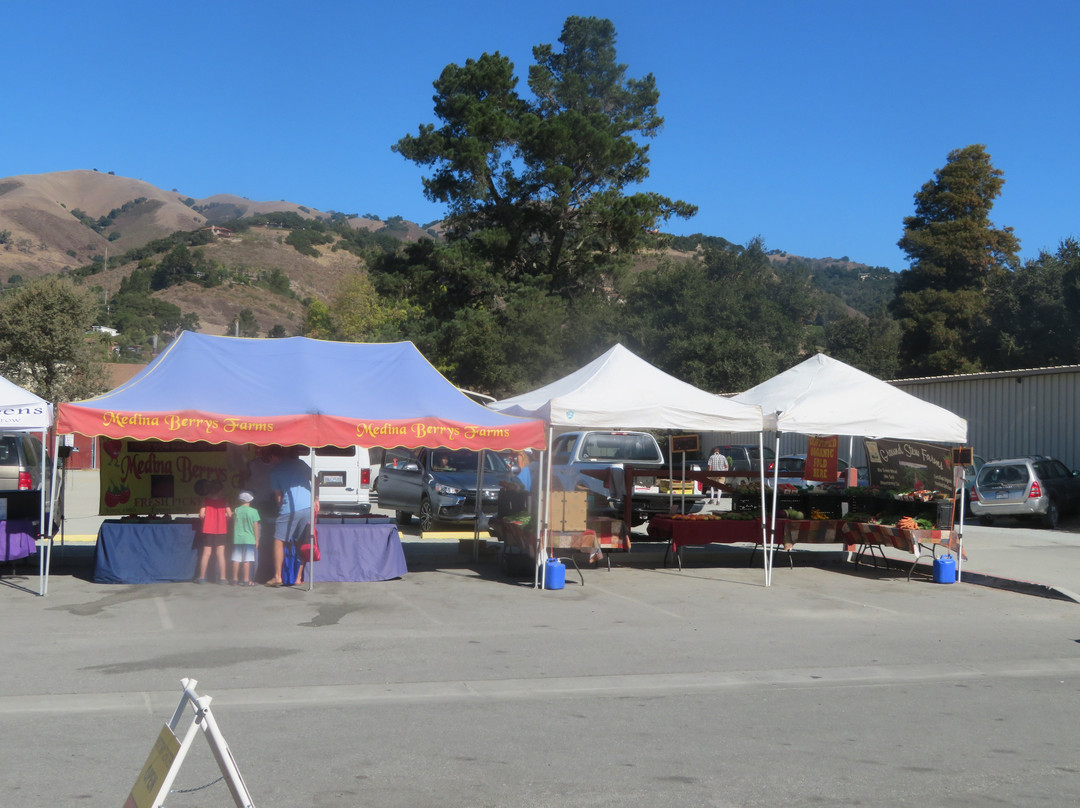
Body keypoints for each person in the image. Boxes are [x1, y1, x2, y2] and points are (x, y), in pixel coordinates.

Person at [265, 445, 312, 587]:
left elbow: (278, 497)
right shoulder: (300, 463)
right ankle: (298, 578)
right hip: (307, 506)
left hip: (289, 509)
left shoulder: (275, 471)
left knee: (279, 541)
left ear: (273, 456)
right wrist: (316, 499)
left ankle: (277, 576)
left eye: (269, 458)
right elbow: (316, 479)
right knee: (300, 542)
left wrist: (280, 510)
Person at [194, 479, 232, 584]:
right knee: (221, 554)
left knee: (206, 553)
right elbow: (230, 514)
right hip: (221, 529)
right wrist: (224, 519)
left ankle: (202, 577)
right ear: (220, 491)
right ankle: (223, 578)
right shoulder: (224, 502)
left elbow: (201, 514)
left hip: (208, 529)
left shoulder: (205, 501)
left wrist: (207, 519)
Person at [231, 490, 260, 586]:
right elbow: (255, 526)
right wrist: (257, 539)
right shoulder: (254, 511)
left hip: (237, 538)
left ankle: (234, 579)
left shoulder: (236, 510)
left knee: (236, 559)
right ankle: (246, 580)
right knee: (246, 560)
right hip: (249, 538)